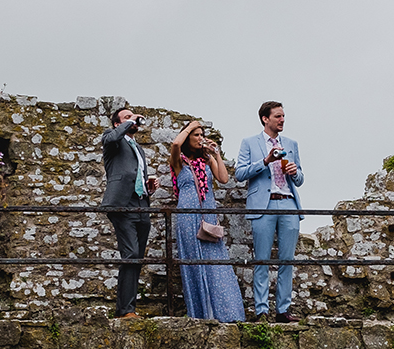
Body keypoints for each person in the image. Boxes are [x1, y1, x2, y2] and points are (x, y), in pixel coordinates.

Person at [234, 101, 304, 323]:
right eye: (278, 116)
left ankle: (283, 310)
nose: (282, 120)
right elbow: (240, 173)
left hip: (289, 204)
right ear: (265, 119)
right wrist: (265, 161)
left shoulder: (291, 144)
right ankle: (261, 311)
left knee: (287, 260)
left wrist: (295, 172)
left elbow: (300, 179)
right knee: (262, 260)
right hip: (263, 204)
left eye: (283, 116)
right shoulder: (249, 143)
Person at [169, 120, 245, 322]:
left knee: (216, 264)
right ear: (187, 137)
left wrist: (216, 155)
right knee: (193, 261)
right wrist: (188, 127)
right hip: (187, 215)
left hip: (208, 214)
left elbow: (223, 179)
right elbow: (175, 145)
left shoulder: (206, 160)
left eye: (202, 134)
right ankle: (201, 315)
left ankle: (226, 314)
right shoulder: (179, 162)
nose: (200, 138)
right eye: (196, 135)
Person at [101, 107, 159, 319]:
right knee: (130, 255)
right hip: (121, 205)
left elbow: (133, 175)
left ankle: (128, 308)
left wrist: (147, 186)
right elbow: (112, 139)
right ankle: (126, 310)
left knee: (137, 258)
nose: (132, 120)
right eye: (126, 117)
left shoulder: (138, 148)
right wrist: (130, 122)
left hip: (141, 204)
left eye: (133, 117)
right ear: (117, 124)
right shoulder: (111, 138)